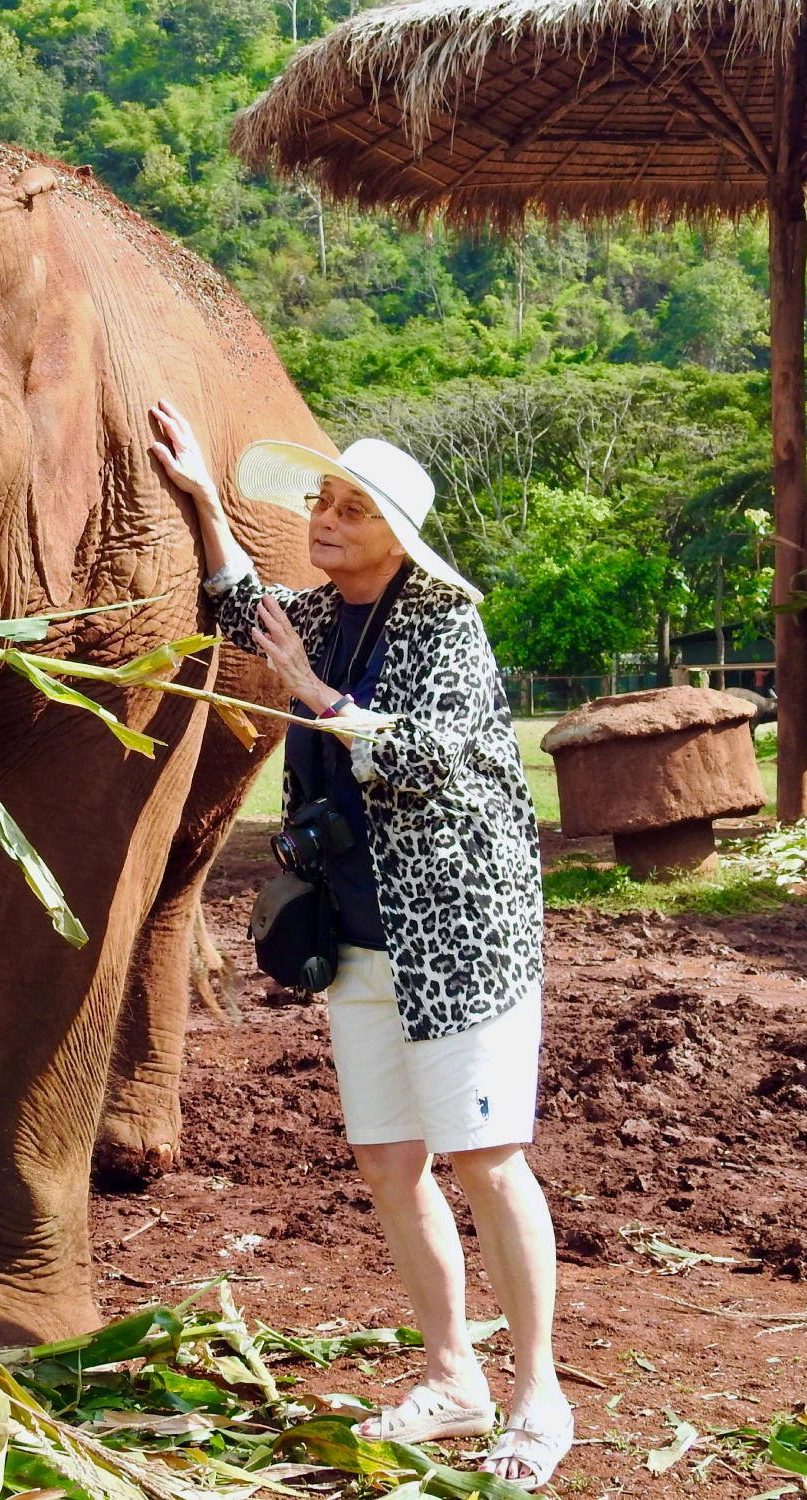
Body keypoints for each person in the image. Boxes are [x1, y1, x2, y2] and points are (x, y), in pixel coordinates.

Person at [150, 401, 569, 1490]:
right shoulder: (324, 612)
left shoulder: (442, 624)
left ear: (400, 536)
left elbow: (427, 756)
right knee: (388, 1162)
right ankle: (452, 1378)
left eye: (351, 509)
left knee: (485, 1160)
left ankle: (538, 1393)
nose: (325, 520)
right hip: (361, 935)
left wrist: (311, 692)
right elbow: (241, 609)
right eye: (322, 502)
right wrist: (201, 495)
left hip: (458, 936)